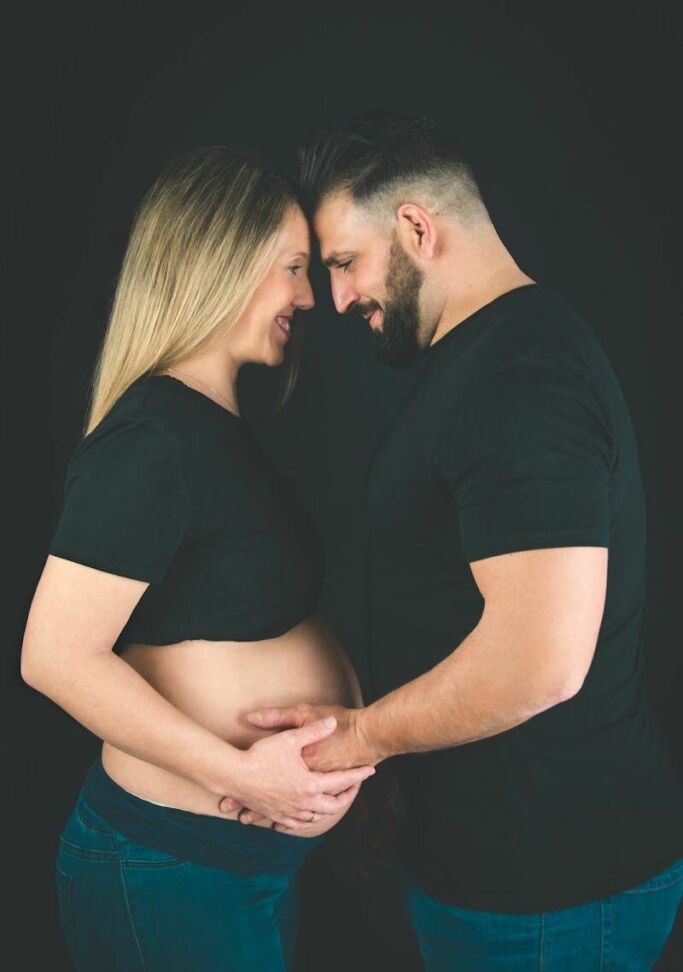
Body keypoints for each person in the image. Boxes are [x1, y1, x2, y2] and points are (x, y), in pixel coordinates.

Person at [232, 110, 683, 969]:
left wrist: (357, 740)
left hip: (551, 893)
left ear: (415, 227)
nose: (338, 299)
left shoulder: (522, 378)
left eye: (343, 263)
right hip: (494, 876)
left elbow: (537, 661)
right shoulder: (481, 361)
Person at [20, 145, 376, 972]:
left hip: (225, 868)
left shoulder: (212, 430)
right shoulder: (153, 439)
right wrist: (244, 776)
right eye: (291, 266)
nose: (307, 295)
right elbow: (53, 657)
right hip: (170, 869)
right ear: (220, 259)